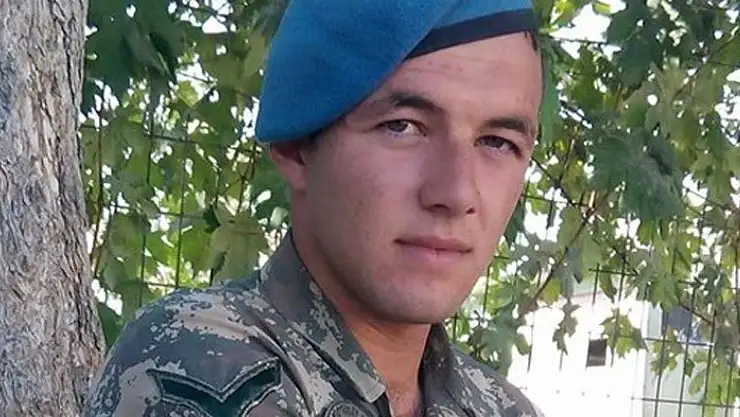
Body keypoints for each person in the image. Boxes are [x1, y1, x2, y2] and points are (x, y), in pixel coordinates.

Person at [83, 0, 545, 416]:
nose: (457, 194)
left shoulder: (499, 406)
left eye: (497, 142)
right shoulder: (203, 361)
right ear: (297, 146)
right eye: (402, 126)